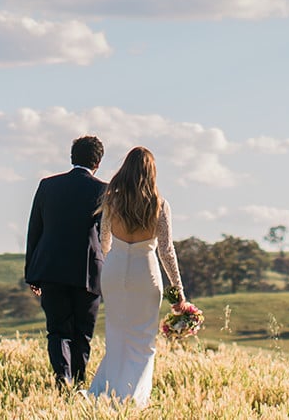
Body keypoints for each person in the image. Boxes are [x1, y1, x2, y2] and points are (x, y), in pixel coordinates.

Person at [87, 146, 184, 406]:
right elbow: (166, 250)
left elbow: (104, 240)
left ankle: (106, 393)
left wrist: (112, 264)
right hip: (146, 272)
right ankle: (134, 397)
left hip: (115, 270)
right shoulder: (159, 204)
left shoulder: (112, 201)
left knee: (117, 335)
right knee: (142, 339)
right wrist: (178, 292)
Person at [23, 135, 108, 388]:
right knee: (82, 333)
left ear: (72, 158)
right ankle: (80, 384)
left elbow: (34, 231)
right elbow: (106, 236)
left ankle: (63, 378)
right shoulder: (103, 190)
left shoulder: (47, 186)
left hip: (51, 270)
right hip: (87, 272)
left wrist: (32, 274)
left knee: (57, 331)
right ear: (98, 162)